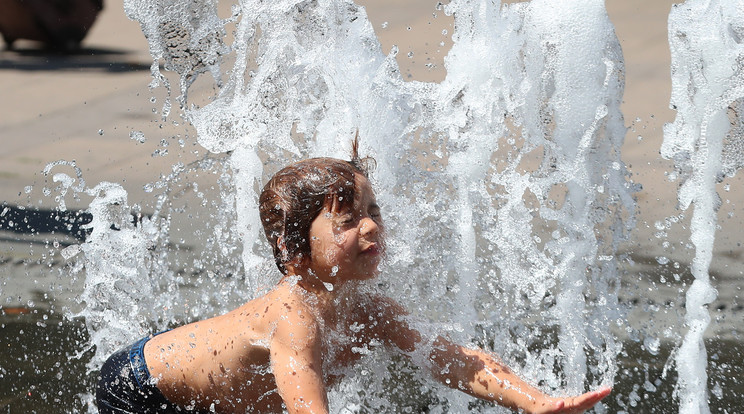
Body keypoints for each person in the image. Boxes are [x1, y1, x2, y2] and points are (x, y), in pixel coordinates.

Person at [96, 139, 611, 413]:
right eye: (347, 218)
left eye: (374, 209)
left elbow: (451, 360)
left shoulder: (368, 307)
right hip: (141, 390)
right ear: (295, 247)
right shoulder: (295, 318)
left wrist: (536, 401)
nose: (371, 225)